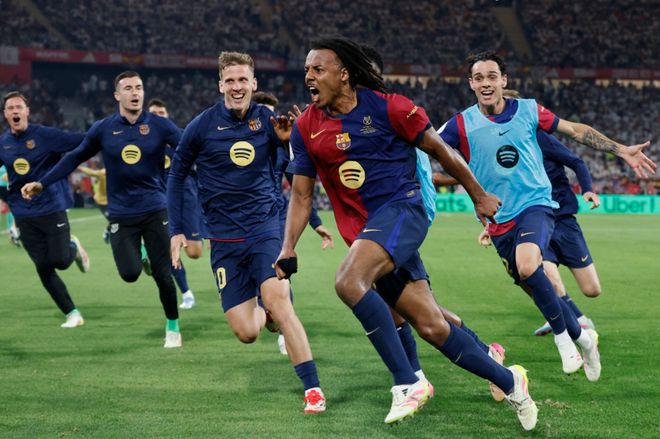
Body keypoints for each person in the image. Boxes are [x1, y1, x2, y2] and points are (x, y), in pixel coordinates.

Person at [277, 37, 537, 430]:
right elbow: (301, 195)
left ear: (343, 74)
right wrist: (288, 247)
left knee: (348, 281)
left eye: (318, 69)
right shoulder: (306, 127)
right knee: (430, 325)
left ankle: (408, 381)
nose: (309, 77)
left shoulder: (391, 107)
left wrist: (479, 194)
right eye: (307, 70)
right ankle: (510, 381)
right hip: (369, 235)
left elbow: (442, 151)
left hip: (404, 210)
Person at [439, 51, 654, 380]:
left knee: (529, 266)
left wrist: (620, 149)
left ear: (504, 80)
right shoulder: (460, 124)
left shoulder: (528, 110)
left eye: (492, 76)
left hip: (536, 204)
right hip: (499, 219)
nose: (486, 83)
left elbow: (575, 131)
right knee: (539, 287)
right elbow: (427, 149)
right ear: (471, 83)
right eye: (478, 78)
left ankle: (563, 340)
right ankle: (584, 339)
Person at [167, 51, 326, 414]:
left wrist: (287, 142)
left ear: (254, 83)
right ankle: (262, 310)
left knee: (281, 304)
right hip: (223, 240)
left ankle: (313, 389)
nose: (237, 87)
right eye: (230, 81)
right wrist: (177, 230)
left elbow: (298, 171)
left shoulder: (270, 121)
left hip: (265, 230)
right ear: (220, 85)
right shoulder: (201, 126)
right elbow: (176, 175)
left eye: (243, 80)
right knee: (246, 333)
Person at [359, 44, 506, 391]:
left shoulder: (392, 114)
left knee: (404, 306)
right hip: (380, 220)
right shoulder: (359, 119)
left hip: (401, 219)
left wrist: (473, 188)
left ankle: (414, 379)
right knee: (417, 308)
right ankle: (484, 355)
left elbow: (432, 163)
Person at [22, 71, 184, 348]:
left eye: (139, 87)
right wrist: (42, 183)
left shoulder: (160, 125)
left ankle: (173, 327)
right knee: (129, 274)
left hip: (155, 208)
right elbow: (74, 157)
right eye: (128, 88)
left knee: (163, 274)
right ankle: (142, 259)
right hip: (121, 213)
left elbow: (189, 147)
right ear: (117, 95)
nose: (135, 92)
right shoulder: (103, 129)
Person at [501, 90, 600, 337]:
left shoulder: (540, 138)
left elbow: (576, 162)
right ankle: (574, 321)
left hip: (563, 219)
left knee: (592, 289)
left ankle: (569, 318)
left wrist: (587, 189)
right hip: (535, 220)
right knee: (548, 278)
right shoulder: (504, 148)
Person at [253, 90, 334, 355]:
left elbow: (301, 189)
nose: (266, 119)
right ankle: (266, 311)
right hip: (243, 222)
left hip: (273, 219)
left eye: (269, 114)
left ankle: (284, 328)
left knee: (280, 275)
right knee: (255, 281)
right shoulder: (239, 146)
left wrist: (316, 223)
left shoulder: (281, 148)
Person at [1, 91, 89, 328]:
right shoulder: (3, 143)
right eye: (10, 108)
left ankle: (74, 247)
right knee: (43, 266)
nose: (15, 111)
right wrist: (5, 198)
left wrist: (108, 135)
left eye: (19, 107)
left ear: (27, 111)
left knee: (60, 260)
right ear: (5, 114)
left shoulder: (45, 135)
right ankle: (72, 313)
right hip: (24, 214)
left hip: (51, 207)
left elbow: (81, 140)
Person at [148, 98, 201, 310]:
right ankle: (186, 293)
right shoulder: (141, 141)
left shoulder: (179, 136)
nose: (158, 117)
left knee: (194, 252)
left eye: (161, 113)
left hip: (186, 196)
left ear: (168, 116)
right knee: (167, 248)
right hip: (158, 199)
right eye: (154, 113)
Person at [77, 160, 110, 243]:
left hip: (113, 200)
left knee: (118, 219)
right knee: (114, 219)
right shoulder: (103, 173)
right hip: (102, 201)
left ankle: (109, 231)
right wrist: (80, 168)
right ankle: (107, 232)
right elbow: (91, 172)